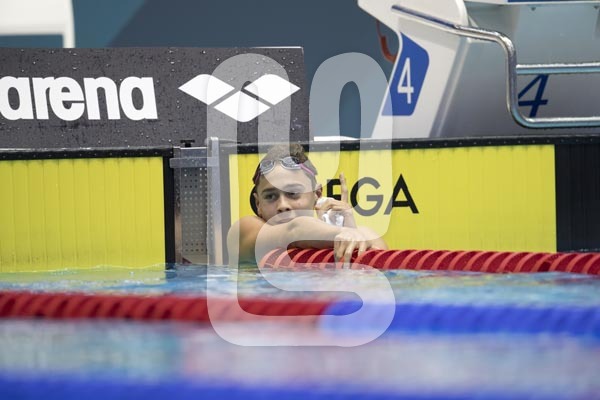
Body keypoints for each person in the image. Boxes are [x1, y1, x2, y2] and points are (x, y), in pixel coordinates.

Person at [227, 143, 387, 266]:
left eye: (293, 193)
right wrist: (344, 232)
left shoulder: (337, 233)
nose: (283, 205)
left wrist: (351, 233)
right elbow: (294, 230)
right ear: (258, 203)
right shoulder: (244, 231)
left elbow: (380, 250)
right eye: (270, 196)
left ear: (317, 195)